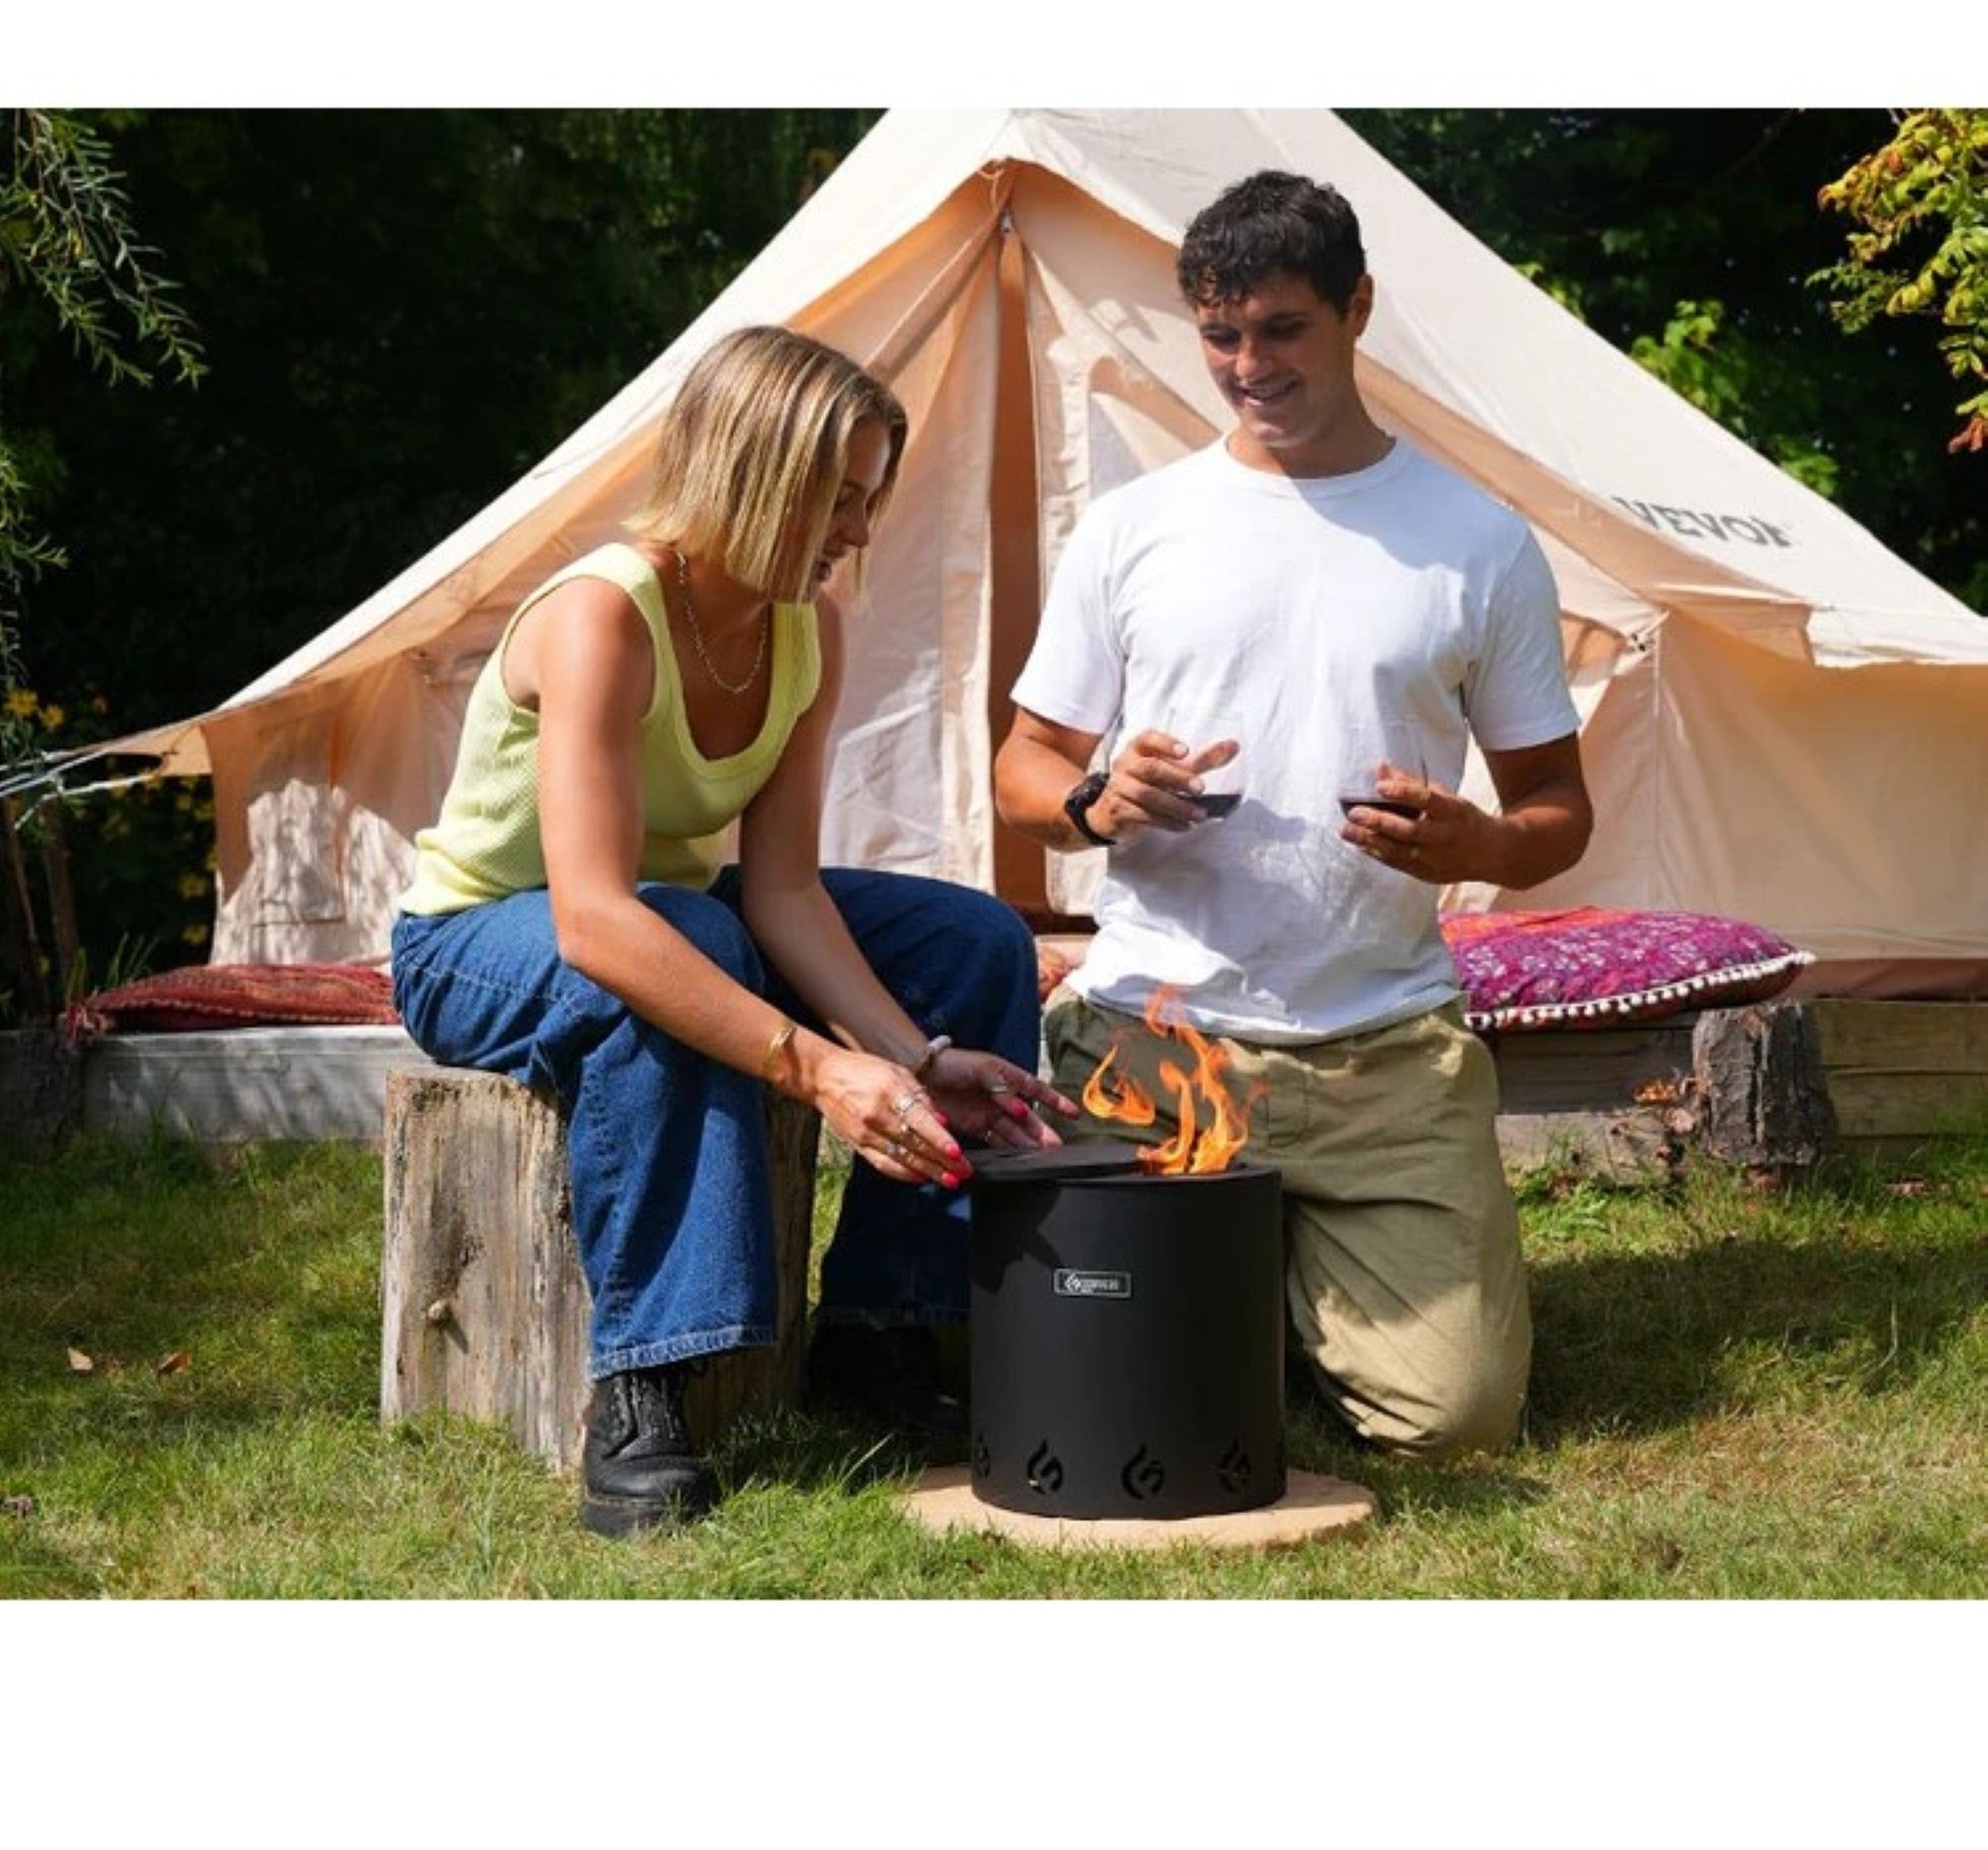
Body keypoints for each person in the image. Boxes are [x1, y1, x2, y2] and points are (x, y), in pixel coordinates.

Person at [392, 324, 1074, 1538]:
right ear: (758, 471)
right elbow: (598, 922)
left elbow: (782, 893)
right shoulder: (603, 616)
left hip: (673, 916)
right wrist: (819, 1070)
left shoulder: (805, 629)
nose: (860, 532)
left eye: (869, 501)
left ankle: (881, 1329)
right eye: (841, 501)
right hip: (476, 941)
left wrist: (912, 1057)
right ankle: (647, 1382)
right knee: (674, 950)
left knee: (973, 941)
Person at [993, 171, 1592, 1457]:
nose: (1247, 365)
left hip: (1386, 1057)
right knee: (1112, 1397)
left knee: (1457, 1424)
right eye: (1220, 335)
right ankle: (1257, 1275)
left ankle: (1291, 1273)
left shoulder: (1477, 543)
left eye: (1281, 330)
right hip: (1152, 1041)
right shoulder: (1135, 529)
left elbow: (1557, 810)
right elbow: (1022, 770)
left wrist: (1479, 845)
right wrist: (1098, 803)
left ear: (1356, 307)